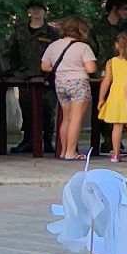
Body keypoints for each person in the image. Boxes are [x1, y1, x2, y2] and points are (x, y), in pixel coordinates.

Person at [40, 17, 98, 161]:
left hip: (60, 84)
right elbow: (91, 69)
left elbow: (44, 66)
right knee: (76, 119)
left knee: (65, 119)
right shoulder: (83, 47)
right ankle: (71, 152)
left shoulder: (53, 45)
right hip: (78, 83)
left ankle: (63, 150)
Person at [6, 0, 59, 152]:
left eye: (39, 8)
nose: (35, 12)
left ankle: (47, 141)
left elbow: (57, 55)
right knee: (27, 108)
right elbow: (12, 52)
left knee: (47, 109)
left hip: (46, 77)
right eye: (32, 9)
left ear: (44, 11)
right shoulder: (20, 31)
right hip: (25, 77)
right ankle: (28, 140)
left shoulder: (51, 33)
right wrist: (15, 71)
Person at [88, 0, 127, 153]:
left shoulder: (126, 29)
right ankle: (98, 142)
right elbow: (91, 50)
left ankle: (112, 142)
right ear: (115, 8)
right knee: (101, 109)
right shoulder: (97, 28)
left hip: (123, 75)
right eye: (125, 8)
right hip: (101, 73)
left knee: (121, 110)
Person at [96, 30, 127, 162]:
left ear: (116, 45)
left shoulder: (111, 62)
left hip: (115, 95)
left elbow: (106, 81)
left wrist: (101, 98)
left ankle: (115, 154)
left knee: (117, 126)